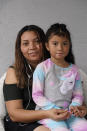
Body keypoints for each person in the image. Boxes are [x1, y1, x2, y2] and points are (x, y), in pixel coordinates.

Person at [3, 25, 70, 131]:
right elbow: (14, 114)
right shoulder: (14, 72)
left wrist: (79, 107)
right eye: (26, 43)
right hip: (23, 121)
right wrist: (47, 113)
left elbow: (71, 94)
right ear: (19, 48)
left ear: (45, 45)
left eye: (37, 41)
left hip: (52, 116)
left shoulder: (59, 66)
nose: (32, 47)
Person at [32, 23, 87, 131]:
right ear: (47, 46)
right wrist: (54, 109)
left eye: (65, 43)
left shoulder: (75, 70)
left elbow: (78, 95)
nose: (60, 48)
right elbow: (37, 95)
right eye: (55, 43)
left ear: (69, 45)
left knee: (84, 127)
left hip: (70, 113)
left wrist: (74, 107)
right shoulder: (42, 68)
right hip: (49, 114)